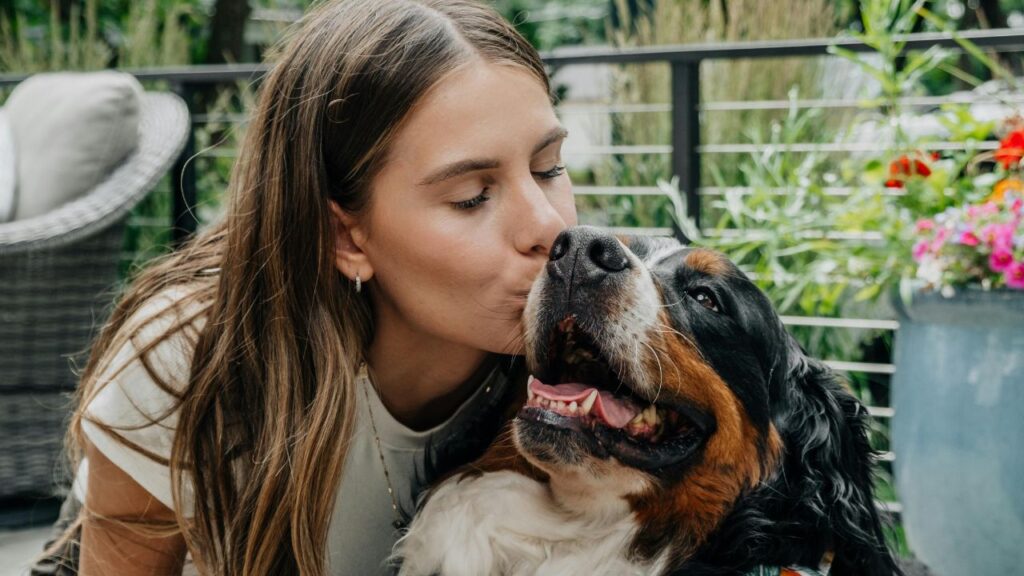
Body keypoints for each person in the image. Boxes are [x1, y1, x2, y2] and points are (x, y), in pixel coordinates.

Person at [38, 0, 577, 573]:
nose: (549, 227)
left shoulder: (593, 341)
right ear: (344, 237)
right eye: (471, 197)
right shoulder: (190, 355)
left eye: (548, 168)